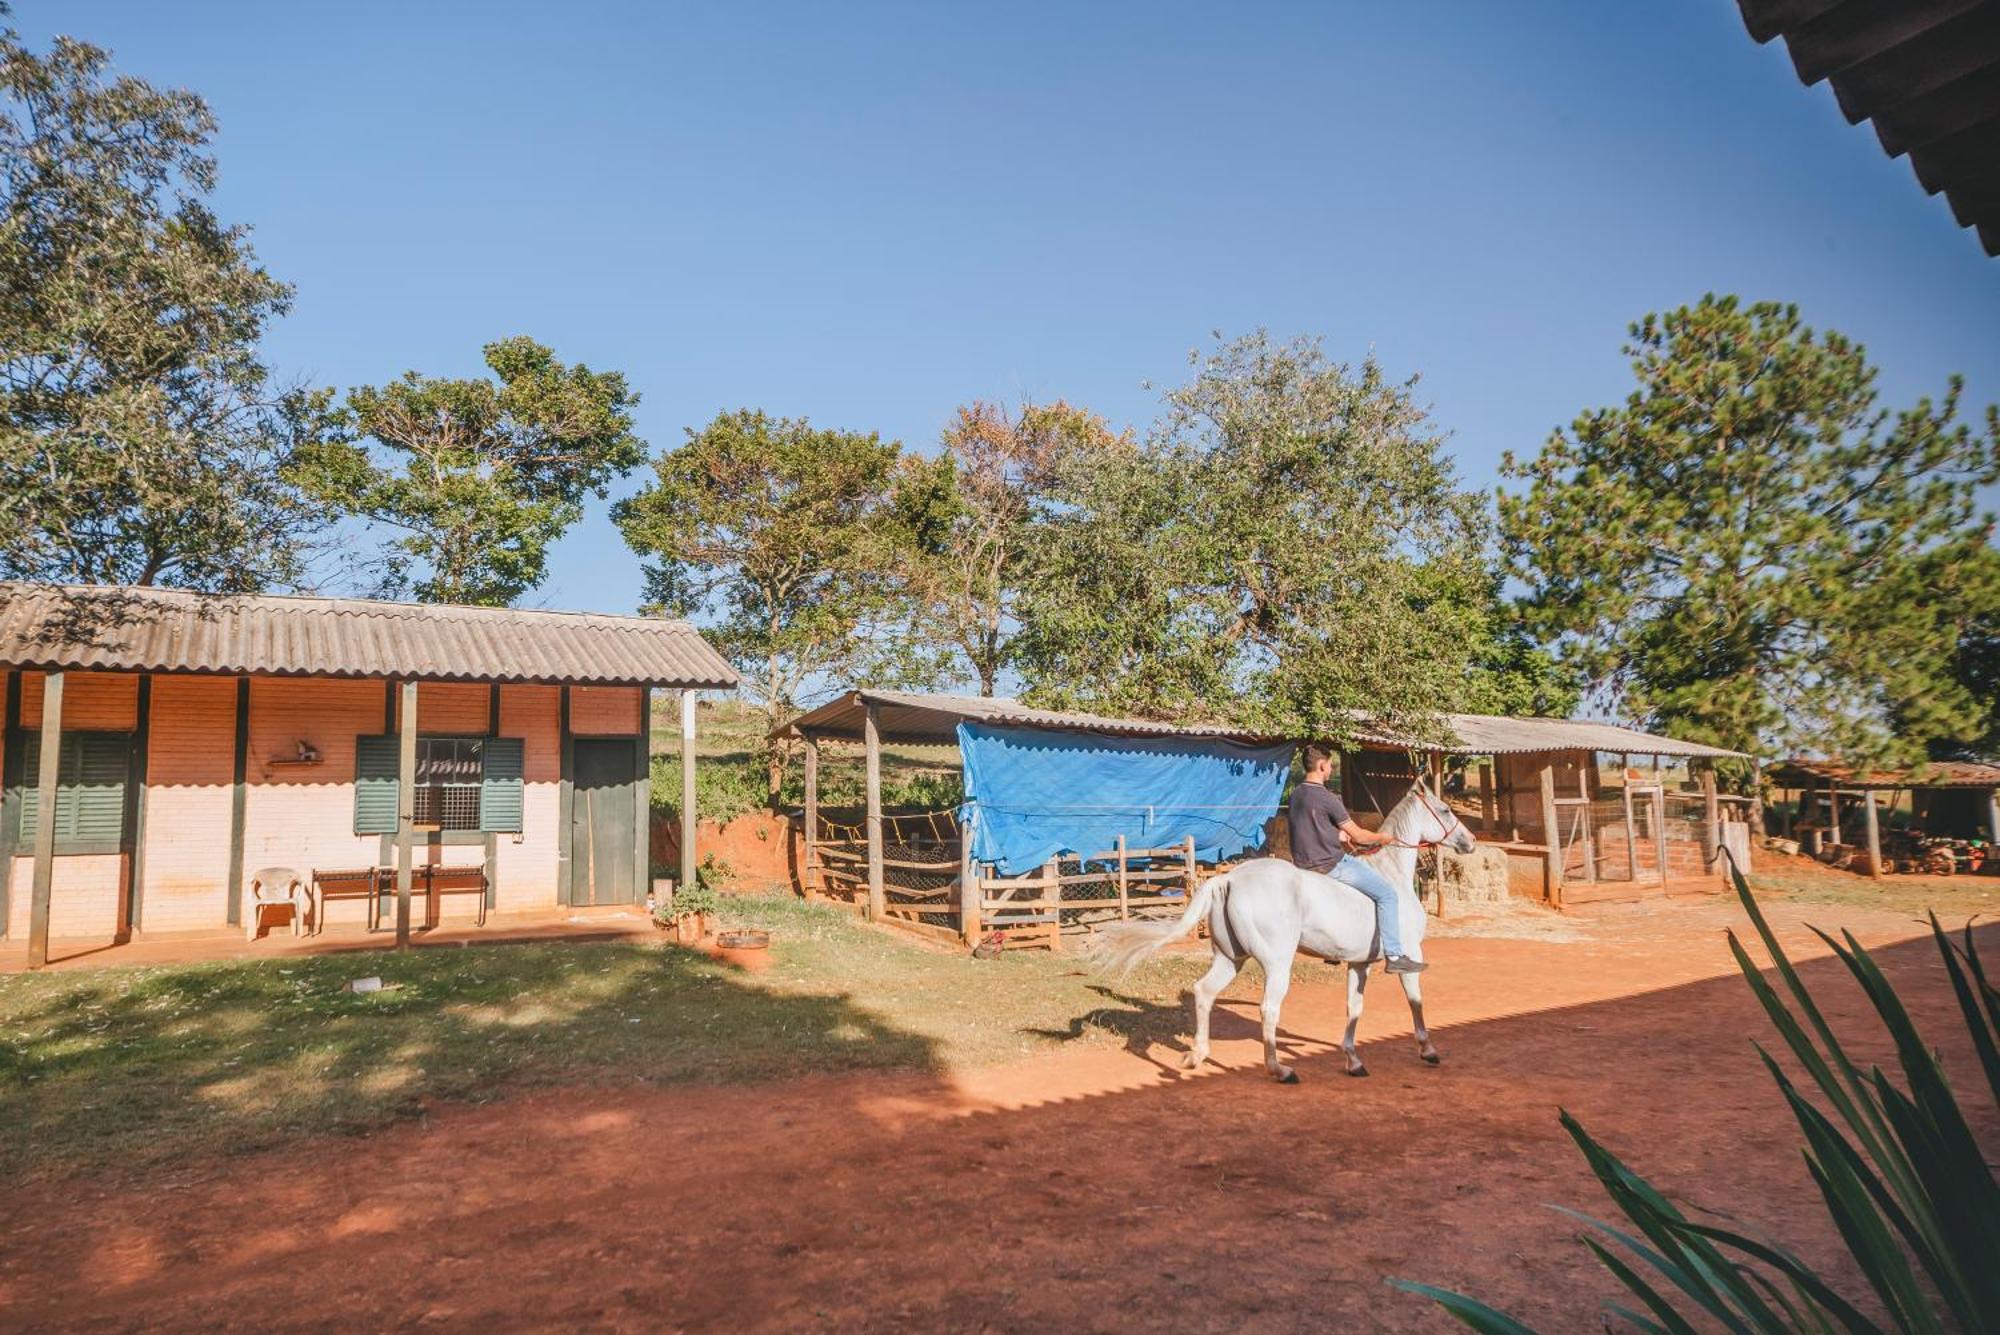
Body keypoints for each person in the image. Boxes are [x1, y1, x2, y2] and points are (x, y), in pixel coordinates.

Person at [1285, 742, 1426, 974]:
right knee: (1388, 894)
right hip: (1330, 864)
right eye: (1330, 765)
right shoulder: (1328, 798)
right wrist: (1383, 837)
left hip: (1302, 864)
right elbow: (1360, 836)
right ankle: (1394, 955)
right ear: (1321, 766)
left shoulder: (1297, 794)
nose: (1331, 769)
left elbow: (1310, 825)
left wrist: (1336, 834)